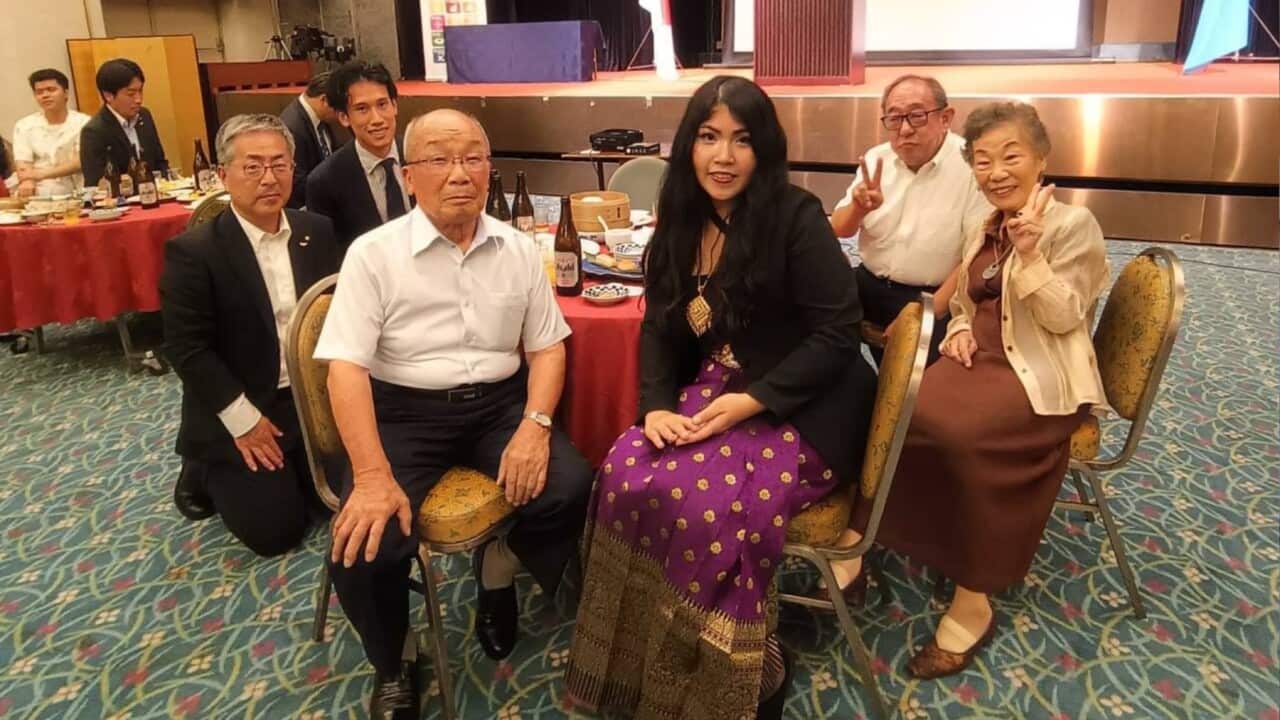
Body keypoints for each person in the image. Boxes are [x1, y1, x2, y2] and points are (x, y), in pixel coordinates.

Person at [563, 76, 877, 720]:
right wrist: (654, 404)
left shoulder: (794, 216)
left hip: (804, 401)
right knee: (624, 471)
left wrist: (752, 400)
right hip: (718, 386)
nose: (723, 157)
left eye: (741, 140)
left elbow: (838, 334)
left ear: (764, 150)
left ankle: (738, 675)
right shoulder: (681, 220)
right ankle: (642, 664)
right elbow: (658, 324)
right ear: (689, 146)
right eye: (709, 138)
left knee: (700, 502)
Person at [313, 109, 592, 719]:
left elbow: (546, 347)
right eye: (439, 159)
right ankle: (395, 658)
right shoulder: (374, 254)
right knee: (364, 545)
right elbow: (346, 369)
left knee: (570, 488)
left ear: (489, 170)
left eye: (472, 158)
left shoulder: (519, 249)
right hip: (403, 413)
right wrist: (371, 475)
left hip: (498, 407)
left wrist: (535, 425)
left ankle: (498, 566)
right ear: (410, 176)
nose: (459, 173)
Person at [841, 101, 1110, 678]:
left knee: (960, 437)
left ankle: (974, 596)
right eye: (983, 160)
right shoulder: (987, 224)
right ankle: (858, 540)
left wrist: (1033, 254)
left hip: (1037, 373)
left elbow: (1067, 316)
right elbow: (967, 297)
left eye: (1011, 156)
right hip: (978, 358)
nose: (997, 171)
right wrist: (960, 327)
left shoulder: (1071, 226)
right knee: (894, 414)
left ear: (1041, 158)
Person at [160, 114, 341, 556]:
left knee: (343, 497)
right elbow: (188, 350)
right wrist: (243, 422)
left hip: (309, 397)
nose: (269, 179)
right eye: (253, 166)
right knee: (275, 534)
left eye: (280, 165)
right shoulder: (195, 252)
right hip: (245, 403)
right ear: (224, 175)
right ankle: (203, 465)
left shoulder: (316, 232)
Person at [830, 74, 990, 360]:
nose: (904, 129)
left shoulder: (971, 167)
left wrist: (923, 315)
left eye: (916, 116)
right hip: (868, 283)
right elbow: (838, 230)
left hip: (936, 297)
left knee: (915, 394)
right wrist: (858, 207)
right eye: (894, 118)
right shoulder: (876, 159)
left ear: (945, 117)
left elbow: (975, 257)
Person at [306, 62, 411, 250]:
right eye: (362, 109)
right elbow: (330, 253)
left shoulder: (420, 154)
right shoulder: (325, 181)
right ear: (344, 117)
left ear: (394, 106)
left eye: (382, 104)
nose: (377, 119)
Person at [80, 58, 169, 188]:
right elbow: (95, 183)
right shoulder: (94, 131)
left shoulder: (144, 115)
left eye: (140, 91)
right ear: (108, 96)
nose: (138, 99)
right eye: (131, 94)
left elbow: (160, 161)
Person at [12, 68, 91, 198]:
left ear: (66, 93)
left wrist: (40, 174)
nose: (45, 95)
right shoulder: (24, 125)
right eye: (39, 92)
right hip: (39, 192)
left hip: (77, 189)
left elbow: (80, 162)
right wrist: (27, 180)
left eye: (51, 90)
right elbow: (23, 165)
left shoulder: (84, 122)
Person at [280, 71, 336, 209]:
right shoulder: (293, 127)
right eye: (340, 107)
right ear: (324, 100)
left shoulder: (320, 118)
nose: (343, 114)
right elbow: (296, 182)